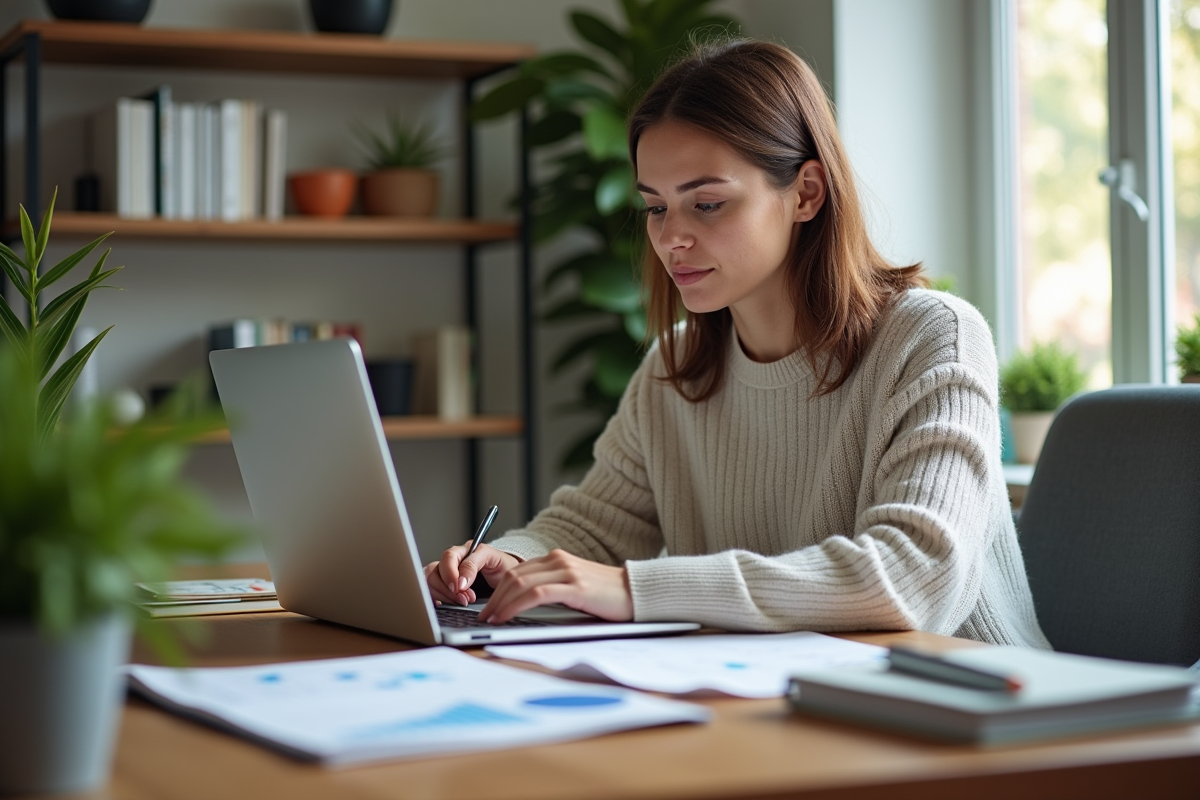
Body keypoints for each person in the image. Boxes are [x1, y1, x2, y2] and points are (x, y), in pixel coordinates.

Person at [425, 38, 1049, 648]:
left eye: (707, 203)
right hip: (784, 700)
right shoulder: (674, 367)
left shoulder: (934, 337)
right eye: (656, 207)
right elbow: (592, 528)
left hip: (979, 707)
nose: (671, 238)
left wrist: (639, 590)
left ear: (806, 192)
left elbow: (914, 576)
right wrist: (507, 560)